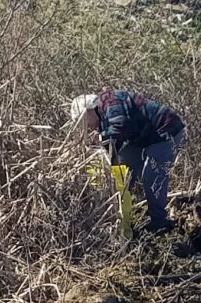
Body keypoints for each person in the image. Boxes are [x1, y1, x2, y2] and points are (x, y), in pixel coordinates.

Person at [70, 90, 186, 233]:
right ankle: (121, 217)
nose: (87, 128)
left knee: (152, 176)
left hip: (165, 129)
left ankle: (159, 224)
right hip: (140, 135)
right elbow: (117, 142)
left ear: (88, 112)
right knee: (122, 169)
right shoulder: (101, 115)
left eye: (84, 122)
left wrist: (101, 138)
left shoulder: (110, 103)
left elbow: (121, 127)